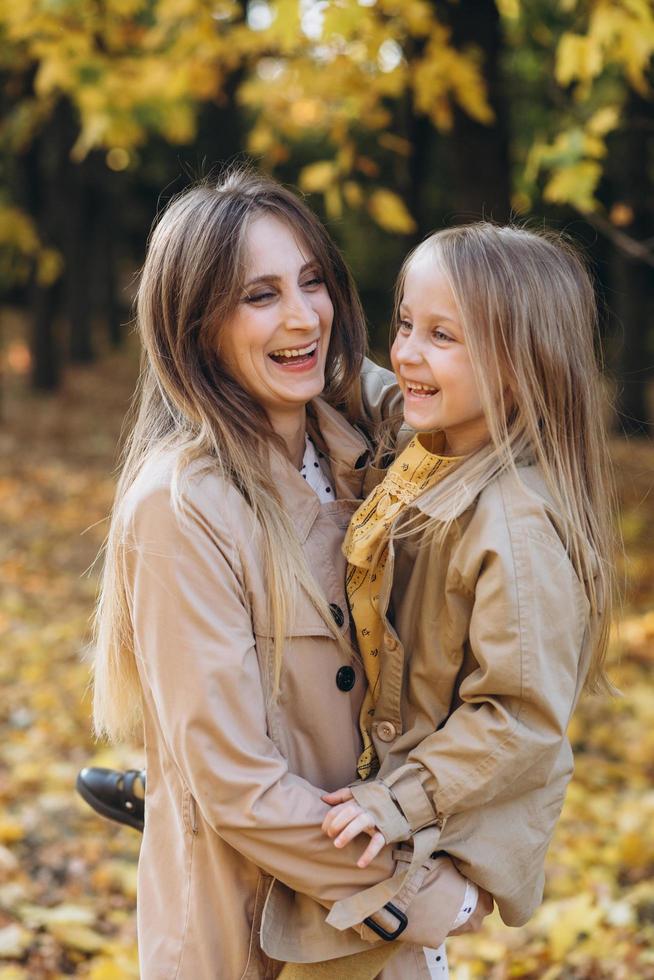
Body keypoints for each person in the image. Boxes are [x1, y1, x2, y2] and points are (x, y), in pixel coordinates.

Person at [89, 169, 491, 980]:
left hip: (383, 922)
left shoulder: (356, 447)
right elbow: (237, 783)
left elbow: (460, 391)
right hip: (260, 932)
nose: (303, 316)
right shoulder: (179, 507)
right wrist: (424, 891)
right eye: (259, 295)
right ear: (195, 324)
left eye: (312, 281)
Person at [305, 223, 615, 969]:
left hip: (433, 830)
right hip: (392, 798)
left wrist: (396, 800)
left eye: (442, 334)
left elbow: (516, 718)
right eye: (407, 321)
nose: (407, 350)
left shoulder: (516, 525)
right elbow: (374, 383)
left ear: (520, 365)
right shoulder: (438, 443)